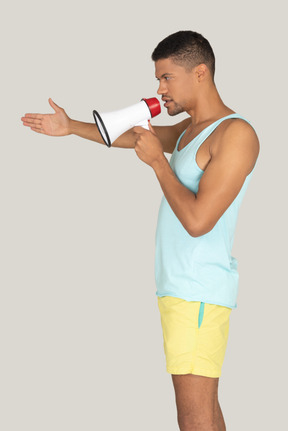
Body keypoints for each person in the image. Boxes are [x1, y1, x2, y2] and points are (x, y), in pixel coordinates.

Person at [21, 30, 259, 431]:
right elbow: (133, 138)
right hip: (181, 290)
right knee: (206, 413)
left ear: (200, 73)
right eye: (157, 79)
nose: (159, 88)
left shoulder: (236, 134)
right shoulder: (188, 130)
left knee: (194, 419)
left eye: (167, 77)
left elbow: (199, 222)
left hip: (198, 293)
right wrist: (71, 126)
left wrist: (159, 165)